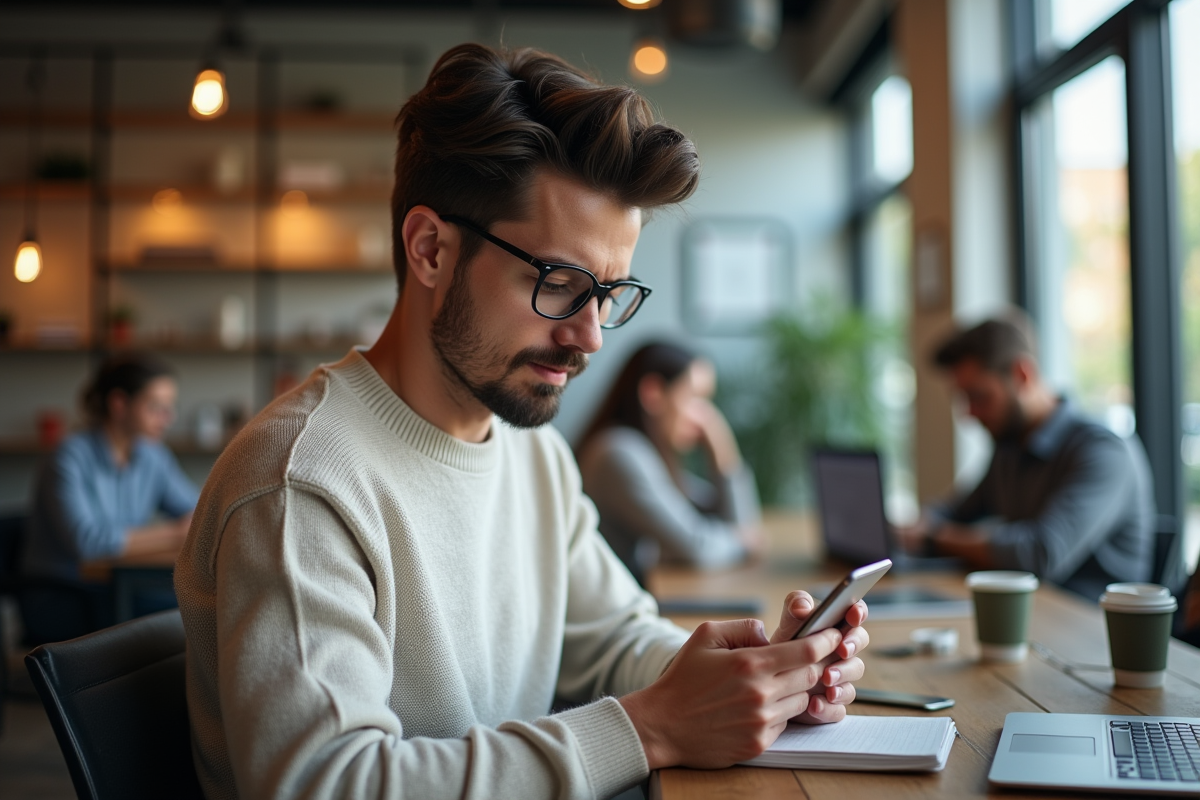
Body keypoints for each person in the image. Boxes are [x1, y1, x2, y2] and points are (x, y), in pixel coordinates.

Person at [174, 44, 871, 800]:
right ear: (430, 249)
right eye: (560, 283)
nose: (591, 337)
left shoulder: (531, 455)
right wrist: (652, 727)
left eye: (607, 292)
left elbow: (612, 641)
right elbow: (326, 784)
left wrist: (749, 677)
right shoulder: (300, 483)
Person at [898, 315, 1155, 602]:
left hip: (1090, 631)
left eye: (979, 396)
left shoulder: (1103, 452)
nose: (969, 413)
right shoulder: (1010, 446)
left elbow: (1040, 553)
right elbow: (956, 511)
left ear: (1022, 374)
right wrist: (919, 525)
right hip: (1031, 615)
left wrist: (934, 537)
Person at [22, 352, 197, 642]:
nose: (169, 418)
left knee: (198, 604)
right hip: (64, 595)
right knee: (183, 614)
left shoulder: (153, 455)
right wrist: (174, 533)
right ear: (119, 404)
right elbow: (88, 543)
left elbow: (199, 511)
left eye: (170, 407)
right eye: (156, 407)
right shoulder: (68, 456)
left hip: (120, 587)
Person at [576, 342, 762, 582]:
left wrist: (723, 456)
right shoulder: (619, 453)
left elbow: (717, 516)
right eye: (695, 398)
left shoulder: (647, 452)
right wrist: (742, 542)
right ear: (653, 393)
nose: (706, 417)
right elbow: (697, 547)